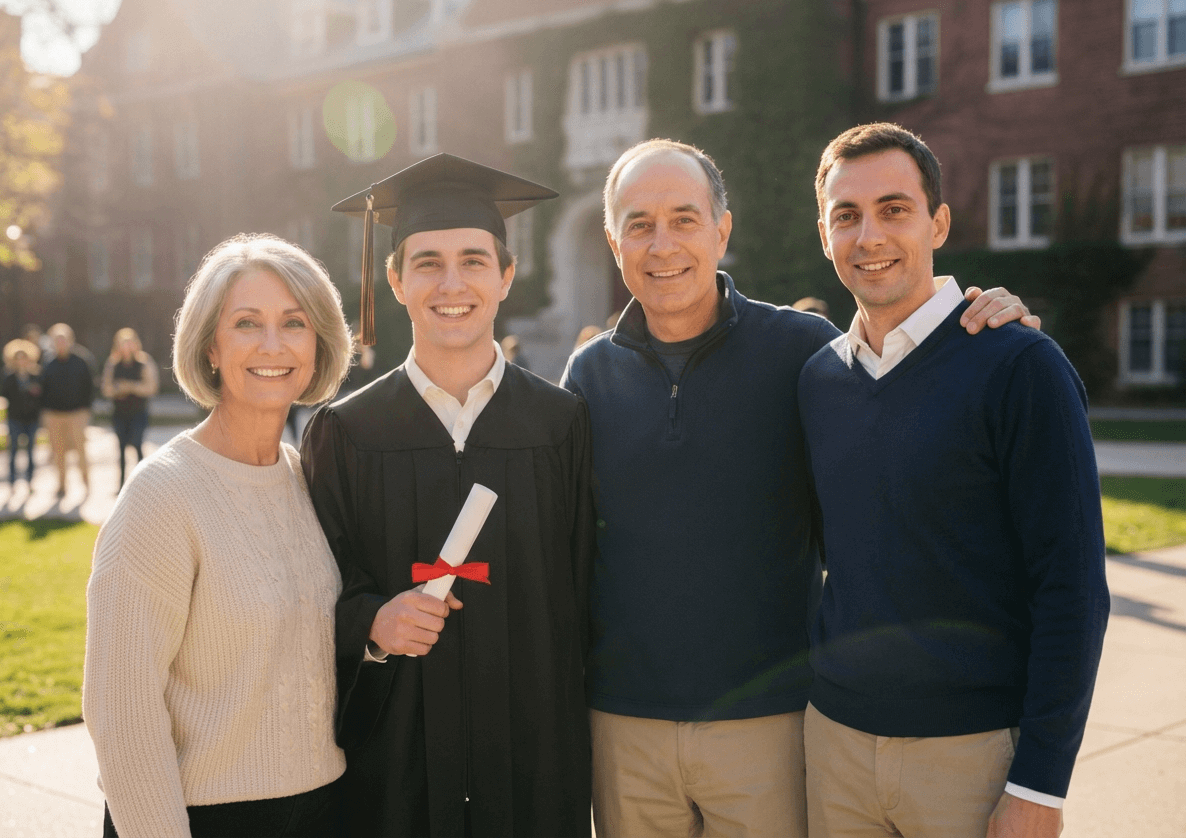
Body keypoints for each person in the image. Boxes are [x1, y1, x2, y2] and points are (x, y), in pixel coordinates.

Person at [561, 138, 1040, 838]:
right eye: (639, 224)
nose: (662, 244)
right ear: (613, 242)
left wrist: (993, 325)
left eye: (685, 219)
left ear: (723, 229)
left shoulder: (803, 353)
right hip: (623, 724)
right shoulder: (587, 377)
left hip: (771, 721)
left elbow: (901, 371)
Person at [799, 123, 1108, 838]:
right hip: (836, 746)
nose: (869, 235)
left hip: (971, 759)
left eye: (894, 209)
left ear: (938, 221)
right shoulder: (817, 378)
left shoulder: (1019, 365)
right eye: (846, 215)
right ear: (824, 234)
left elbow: (1074, 589)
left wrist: (1041, 785)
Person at [303, 153, 594, 837]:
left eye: (473, 259)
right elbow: (312, 598)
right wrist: (371, 624)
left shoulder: (560, 425)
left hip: (534, 759)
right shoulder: (346, 432)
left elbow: (586, 590)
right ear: (395, 281)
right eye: (427, 262)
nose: (451, 282)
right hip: (394, 761)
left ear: (507, 277)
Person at [83, 235, 353, 838]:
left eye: (294, 323)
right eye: (247, 323)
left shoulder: (306, 482)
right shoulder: (162, 496)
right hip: (204, 820)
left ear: (318, 345)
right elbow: (121, 715)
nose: (273, 345)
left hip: (323, 809)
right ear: (210, 345)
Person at [39, 323, 94, 497]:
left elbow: (89, 387)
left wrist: (86, 410)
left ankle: (86, 484)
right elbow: (43, 389)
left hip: (77, 413)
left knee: (80, 450)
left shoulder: (81, 361)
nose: (60, 343)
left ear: (71, 340)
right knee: (58, 452)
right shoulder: (48, 363)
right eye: (57, 340)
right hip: (54, 415)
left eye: (63, 339)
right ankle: (62, 486)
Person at [101, 328, 160, 489]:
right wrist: (118, 389)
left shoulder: (144, 362)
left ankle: (142, 484)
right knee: (120, 449)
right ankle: (121, 484)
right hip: (119, 412)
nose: (126, 346)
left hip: (138, 412)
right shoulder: (113, 363)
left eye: (129, 342)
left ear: (135, 344)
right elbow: (106, 389)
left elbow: (152, 387)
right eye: (123, 343)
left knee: (137, 444)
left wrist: (131, 387)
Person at [1, 339, 42, 487]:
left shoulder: (35, 375)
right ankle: (12, 479)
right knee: (13, 449)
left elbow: (41, 395)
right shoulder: (9, 376)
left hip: (31, 417)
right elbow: (5, 394)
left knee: (30, 450)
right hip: (15, 417)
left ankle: (30, 479)